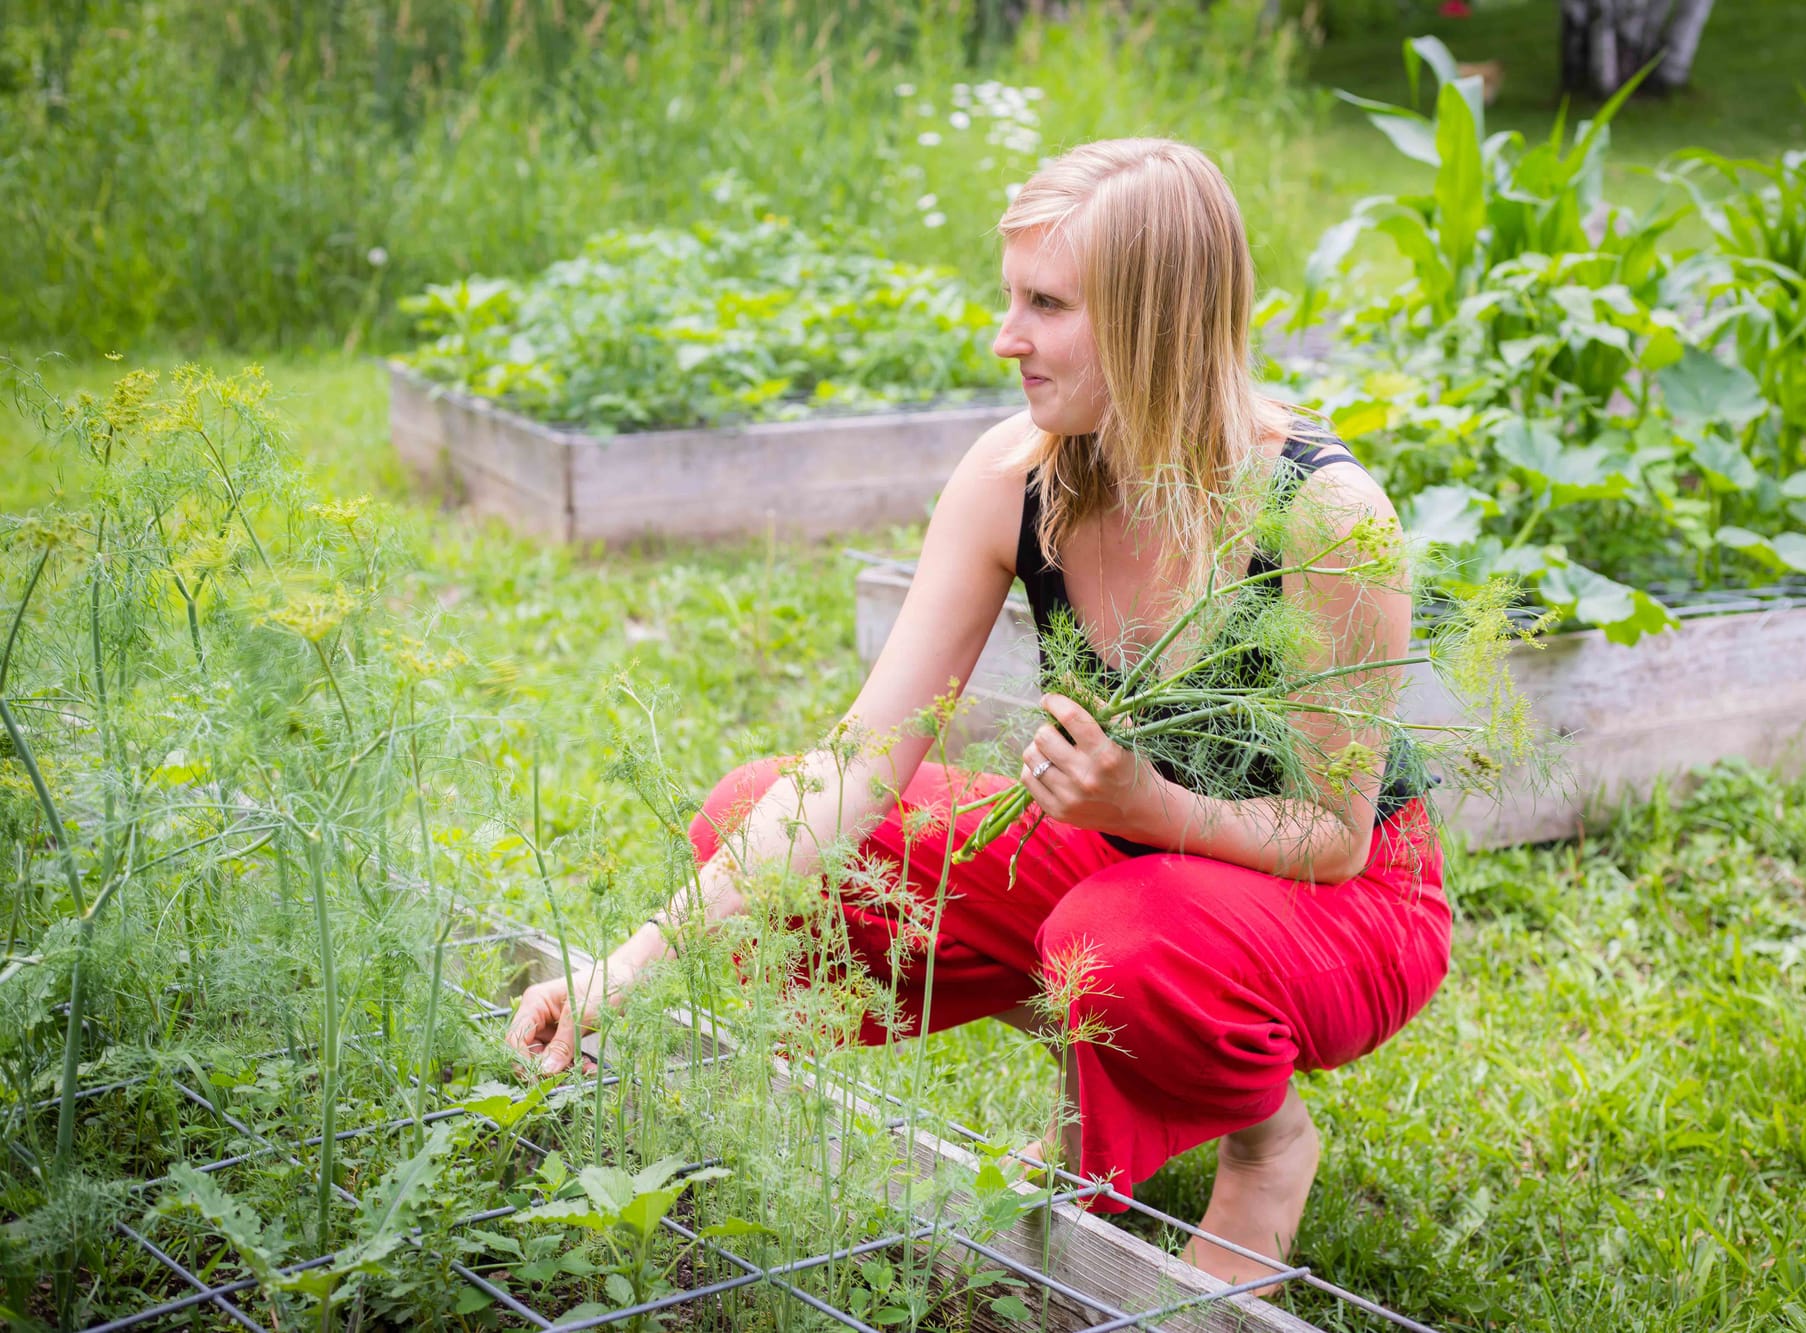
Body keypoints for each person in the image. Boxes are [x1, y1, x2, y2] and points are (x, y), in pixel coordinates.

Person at [505, 138, 1451, 1292]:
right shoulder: (1017, 475)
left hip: (1338, 900)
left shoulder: (1323, 513)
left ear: (1153, 317)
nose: (1005, 337)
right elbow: (855, 768)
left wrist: (1147, 803)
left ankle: (1264, 1143)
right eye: (1013, 298)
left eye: (1045, 305)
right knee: (748, 817)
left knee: (1116, 942)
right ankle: (1104, 1059)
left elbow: (1333, 834)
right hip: (1118, 848)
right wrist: (625, 966)